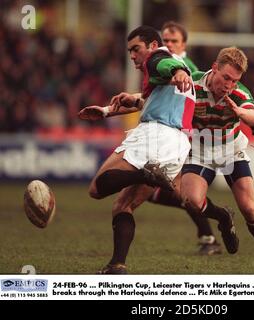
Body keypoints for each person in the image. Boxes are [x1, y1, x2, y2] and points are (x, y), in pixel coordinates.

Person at [78, 26, 237, 274]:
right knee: (124, 205)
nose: (132, 55)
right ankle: (117, 265)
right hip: (178, 144)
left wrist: (179, 71)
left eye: (135, 49)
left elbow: (164, 66)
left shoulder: (158, 58)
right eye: (129, 50)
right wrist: (108, 110)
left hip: (154, 134)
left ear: (152, 45)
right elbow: (156, 92)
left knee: (97, 189)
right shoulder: (178, 72)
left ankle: (145, 174)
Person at [180, 47, 254, 274]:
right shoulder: (192, 84)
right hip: (200, 151)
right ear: (214, 68)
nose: (229, 85)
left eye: (234, 80)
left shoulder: (239, 94)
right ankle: (223, 217)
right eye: (225, 77)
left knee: (250, 209)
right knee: (191, 201)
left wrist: (242, 114)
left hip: (230, 150)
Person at [145, 21, 222, 256]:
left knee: (159, 189)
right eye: (165, 40)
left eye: (174, 41)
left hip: (182, 137)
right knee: (160, 190)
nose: (169, 44)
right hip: (174, 136)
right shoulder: (164, 64)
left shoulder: (184, 67)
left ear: (184, 44)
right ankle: (208, 234)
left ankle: (210, 232)